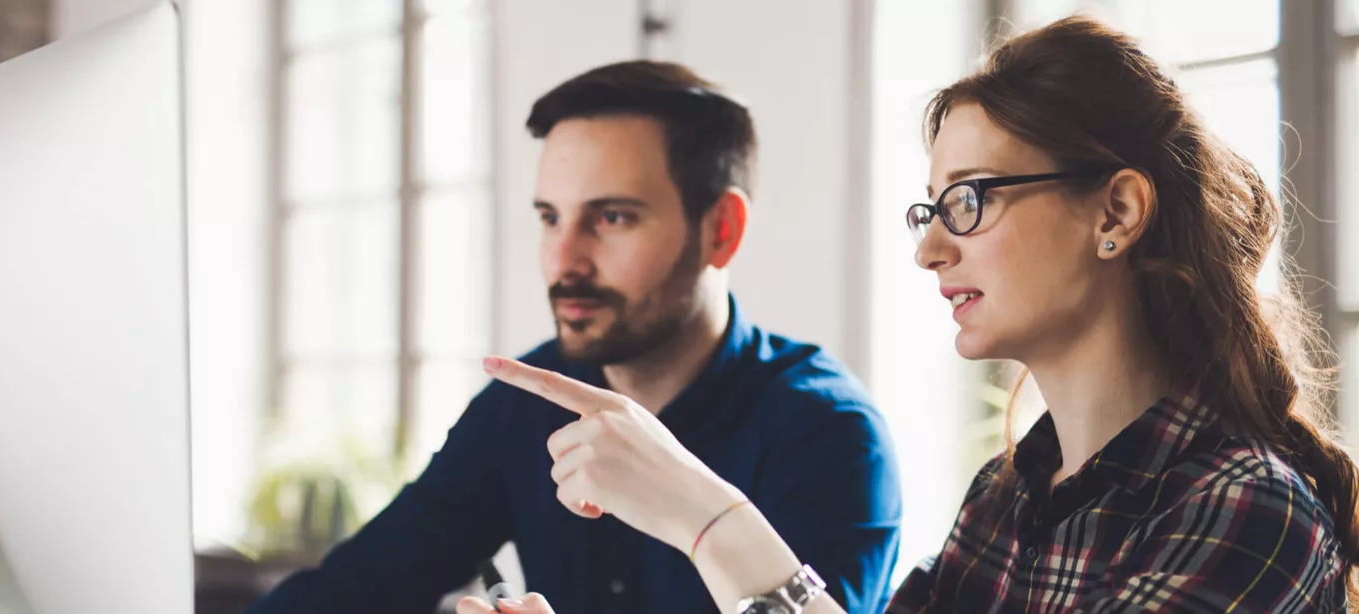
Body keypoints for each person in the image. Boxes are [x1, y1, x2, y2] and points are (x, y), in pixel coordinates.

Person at [458, 16, 1357, 614]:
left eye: (970, 201)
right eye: (930, 211)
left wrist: (712, 521)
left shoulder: (1249, 512)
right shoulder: (1006, 503)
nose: (930, 249)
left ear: (1115, 213)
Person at [245, 60, 902, 614]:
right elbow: (357, 588)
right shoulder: (523, 403)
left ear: (721, 231)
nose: (564, 262)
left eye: (612, 217)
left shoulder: (830, 433)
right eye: (550, 218)